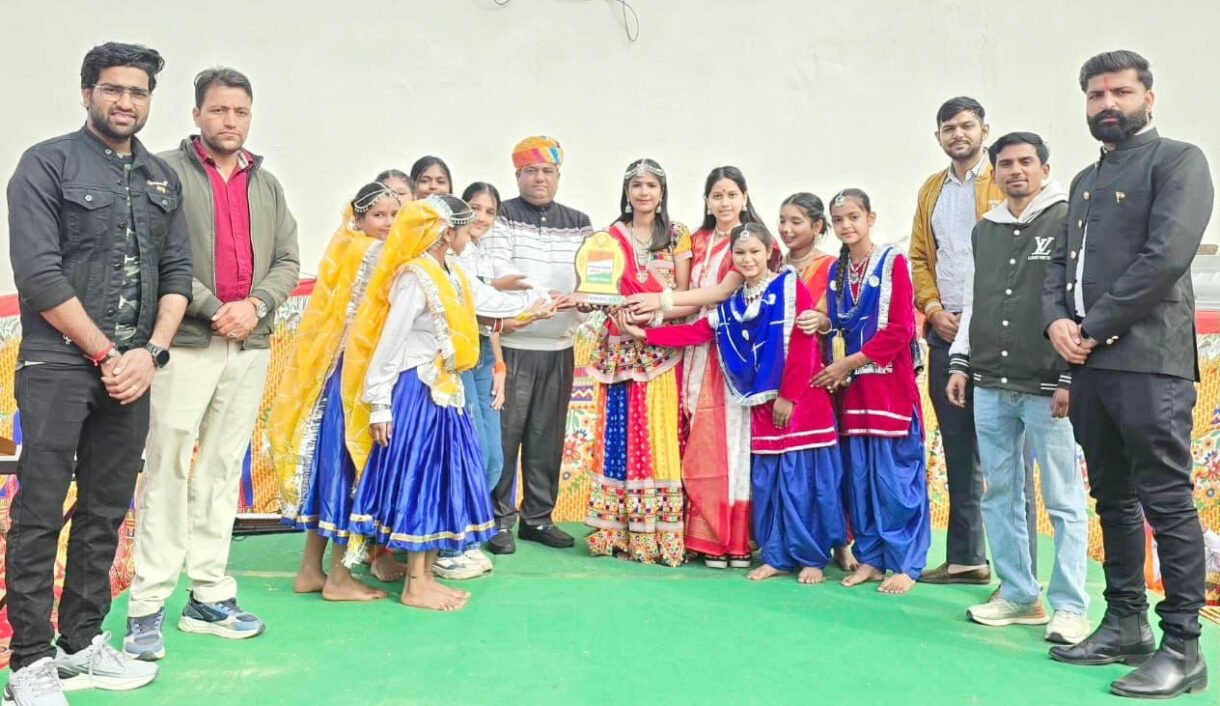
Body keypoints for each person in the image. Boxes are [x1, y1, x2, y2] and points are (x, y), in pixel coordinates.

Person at [5, 41, 188, 704]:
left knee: (106, 510)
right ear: (88, 94)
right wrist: (108, 354)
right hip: (59, 364)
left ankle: (80, 643)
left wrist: (150, 354)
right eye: (113, 89)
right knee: (40, 508)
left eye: (138, 92)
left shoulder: (160, 179)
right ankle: (29, 661)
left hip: (133, 371)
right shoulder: (45, 164)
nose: (126, 102)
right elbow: (39, 275)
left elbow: (178, 273)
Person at [1043, 50, 1213, 699]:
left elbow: (1165, 257)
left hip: (1149, 361)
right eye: (1095, 94)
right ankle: (1124, 624)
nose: (1107, 103)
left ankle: (1183, 648)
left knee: (1166, 501)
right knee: (1111, 497)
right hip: (1089, 364)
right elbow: (1058, 267)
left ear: (1149, 98)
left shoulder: (1179, 162)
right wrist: (1056, 323)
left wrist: (1090, 327)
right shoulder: (1085, 180)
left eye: (1120, 91)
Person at [124, 66, 300, 660]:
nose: (230, 120)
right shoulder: (164, 172)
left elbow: (288, 259)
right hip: (184, 344)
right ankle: (147, 602)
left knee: (222, 470)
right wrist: (213, 307)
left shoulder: (266, 184)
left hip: (249, 345)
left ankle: (208, 596)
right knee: (168, 468)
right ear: (197, 114)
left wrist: (255, 306)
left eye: (240, 111)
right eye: (219, 110)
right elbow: (153, 254)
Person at [622, 223, 847, 583]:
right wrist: (646, 334)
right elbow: (697, 332)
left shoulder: (789, 287)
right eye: (740, 253)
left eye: (755, 251)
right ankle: (776, 556)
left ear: (769, 252)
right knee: (769, 485)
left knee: (801, 485)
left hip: (800, 405)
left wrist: (788, 397)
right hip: (762, 407)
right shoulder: (735, 302)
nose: (747, 259)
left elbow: (803, 346)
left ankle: (811, 559)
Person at [945, 132, 1091, 645]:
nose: (1016, 171)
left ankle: (1070, 606)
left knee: (1063, 499)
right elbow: (974, 300)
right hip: (989, 381)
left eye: (1026, 161)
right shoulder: (985, 229)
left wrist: (1071, 375)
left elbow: (1081, 299)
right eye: (1005, 163)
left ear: (1044, 169)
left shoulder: (1068, 218)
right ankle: (1019, 593)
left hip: (1049, 384)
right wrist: (960, 362)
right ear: (995, 172)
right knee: (1001, 493)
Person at [342, 194, 496, 611]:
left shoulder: (450, 273)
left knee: (442, 481)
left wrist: (541, 304)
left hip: (444, 391)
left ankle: (425, 577)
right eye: (463, 229)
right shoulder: (415, 277)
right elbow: (390, 342)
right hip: (417, 390)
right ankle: (414, 584)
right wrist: (380, 404)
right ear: (446, 233)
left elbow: (488, 301)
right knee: (421, 481)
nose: (468, 235)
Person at [271, 183, 400, 603]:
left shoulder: (344, 249)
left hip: (334, 376)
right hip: (355, 380)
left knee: (329, 472)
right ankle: (341, 578)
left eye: (394, 215)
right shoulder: (375, 253)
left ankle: (310, 570)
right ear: (358, 219)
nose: (388, 223)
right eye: (378, 215)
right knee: (351, 472)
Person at [433, 183, 551, 580]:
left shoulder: (480, 252)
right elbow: (483, 310)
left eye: (489, 211)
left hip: (482, 355)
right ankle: (449, 545)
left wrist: (499, 365)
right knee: (472, 454)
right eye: (474, 209)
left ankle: (463, 537)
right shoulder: (448, 256)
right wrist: (528, 309)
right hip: (456, 359)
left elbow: (492, 317)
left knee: (493, 459)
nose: (481, 218)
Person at [815, 189, 930, 595]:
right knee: (861, 479)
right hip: (854, 392)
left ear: (871, 218)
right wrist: (822, 326)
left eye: (854, 217)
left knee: (895, 480)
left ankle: (906, 563)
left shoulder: (893, 262)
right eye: (839, 220)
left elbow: (901, 329)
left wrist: (849, 362)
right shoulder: (838, 270)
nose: (846, 225)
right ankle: (871, 558)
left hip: (889, 388)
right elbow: (838, 324)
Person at [908, 97, 1001, 586]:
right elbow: (920, 258)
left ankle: (1018, 575)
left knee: (1005, 448)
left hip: (996, 330)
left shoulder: (1004, 180)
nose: (958, 134)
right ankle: (967, 558)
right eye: (949, 128)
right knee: (959, 444)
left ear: (985, 129)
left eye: (967, 125)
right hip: (945, 330)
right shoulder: (932, 189)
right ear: (938, 136)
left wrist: (979, 314)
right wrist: (932, 309)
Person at [482, 136, 589, 554]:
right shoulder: (503, 215)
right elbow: (499, 270)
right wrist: (543, 299)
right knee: (504, 438)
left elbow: (591, 272)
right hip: (513, 344)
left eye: (547, 171)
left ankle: (538, 519)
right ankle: (496, 520)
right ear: (517, 176)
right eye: (531, 171)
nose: (539, 178)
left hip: (559, 347)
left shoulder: (579, 222)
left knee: (548, 438)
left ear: (559, 175)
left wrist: (583, 298)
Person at [585, 158, 691, 567]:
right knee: (620, 434)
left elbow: (684, 296)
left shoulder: (677, 235)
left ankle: (658, 535)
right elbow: (600, 290)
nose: (644, 192)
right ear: (626, 192)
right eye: (636, 185)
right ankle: (616, 531)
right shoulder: (608, 237)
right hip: (620, 348)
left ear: (662, 192)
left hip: (661, 348)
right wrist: (618, 316)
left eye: (651, 185)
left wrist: (655, 319)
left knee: (658, 433)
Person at [780, 192, 859, 573]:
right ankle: (794, 542)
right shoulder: (772, 264)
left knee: (827, 467)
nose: (786, 229)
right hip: (779, 379)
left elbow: (837, 317)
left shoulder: (831, 266)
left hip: (819, 376)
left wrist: (822, 321)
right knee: (792, 466)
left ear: (817, 227)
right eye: (782, 221)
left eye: (796, 222)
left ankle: (840, 541)